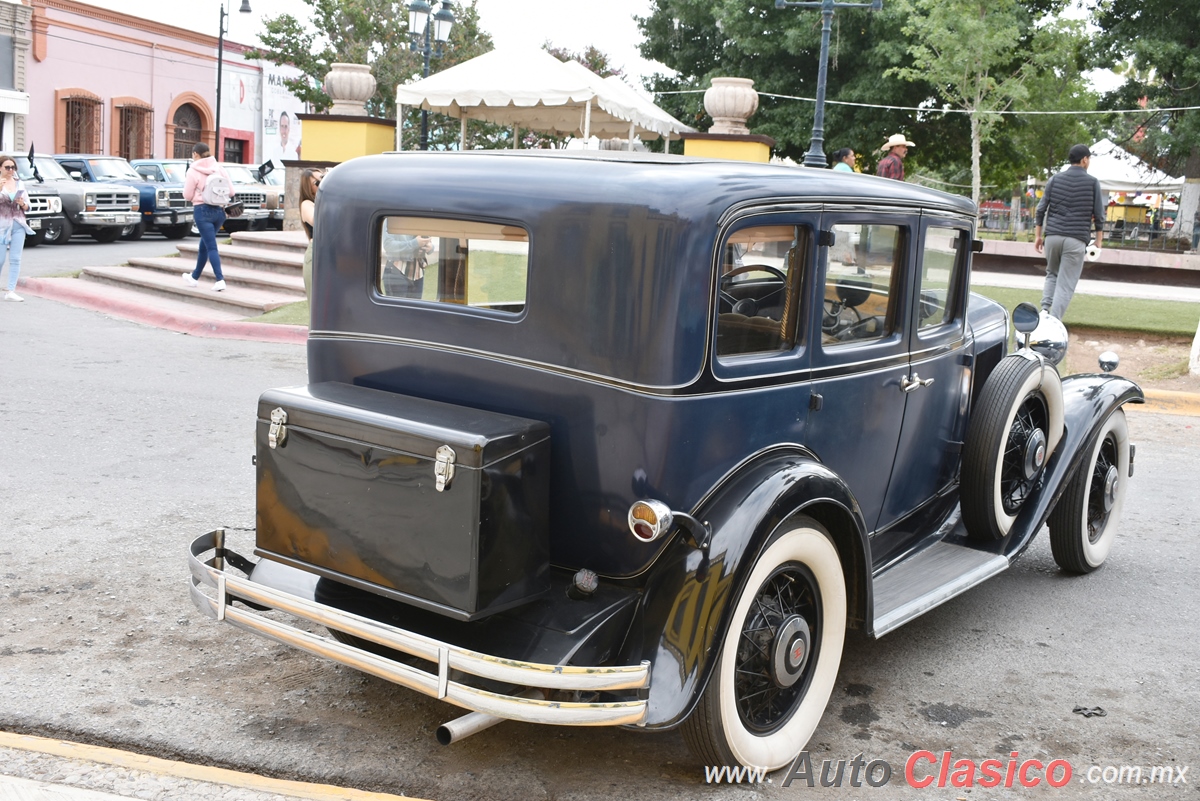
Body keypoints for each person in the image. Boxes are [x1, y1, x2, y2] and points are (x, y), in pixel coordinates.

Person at [1034, 143, 1104, 319]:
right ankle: (1054, 322)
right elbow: (1099, 215)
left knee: (1052, 274)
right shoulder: (1092, 182)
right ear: (1084, 160)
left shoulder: (1055, 179)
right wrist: (1099, 241)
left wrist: (1037, 236)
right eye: (1089, 159)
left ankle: (1043, 313)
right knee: (1065, 284)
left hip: (1052, 237)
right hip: (1075, 239)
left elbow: (1041, 209)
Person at [182, 142, 231, 291]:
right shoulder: (219, 169)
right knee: (204, 245)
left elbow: (187, 195)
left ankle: (220, 279)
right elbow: (232, 191)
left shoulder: (193, 171)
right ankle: (194, 277)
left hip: (202, 211)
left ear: (195, 154)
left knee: (211, 246)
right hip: (219, 212)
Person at [0, 155, 32, 302]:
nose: (10, 170)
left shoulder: (20, 184)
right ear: (0, 168)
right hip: (2, 225)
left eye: (13, 168)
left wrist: (22, 203)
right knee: (0, 259)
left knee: (15, 259)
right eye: (7, 167)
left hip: (18, 223)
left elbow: (28, 206)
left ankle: (10, 290)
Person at [299, 168, 322, 301]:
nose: (321, 184)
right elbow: (316, 220)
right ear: (308, 188)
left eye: (323, 179)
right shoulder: (307, 204)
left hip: (332, 255)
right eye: (317, 183)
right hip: (317, 254)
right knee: (318, 305)